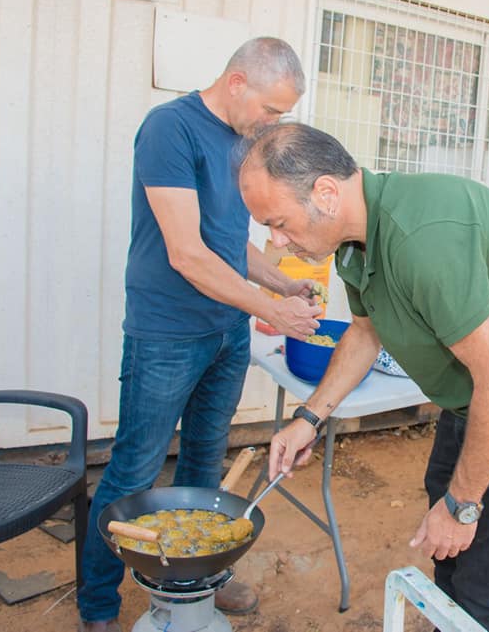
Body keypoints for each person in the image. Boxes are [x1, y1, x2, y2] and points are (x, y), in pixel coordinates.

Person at [237, 122, 489, 632]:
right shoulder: (353, 240)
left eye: (277, 222)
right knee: (447, 554)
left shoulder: (422, 239)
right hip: (472, 396)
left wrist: (463, 505)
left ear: (325, 193)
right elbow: (365, 334)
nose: (275, 240)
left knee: (481, 572)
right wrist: (308, 419)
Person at [77, 38, 322, 632]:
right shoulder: (170, 129)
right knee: (134, 471)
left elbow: (228, 240)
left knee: (205, 465)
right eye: (271, 110)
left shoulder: (244, 143)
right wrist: (270, 306)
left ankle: (193, 579)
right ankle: (98, 606)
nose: (274, 124)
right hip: (167, 333)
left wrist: (283, 286)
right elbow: (187, 253)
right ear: (237, 82)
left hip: (225, 334)